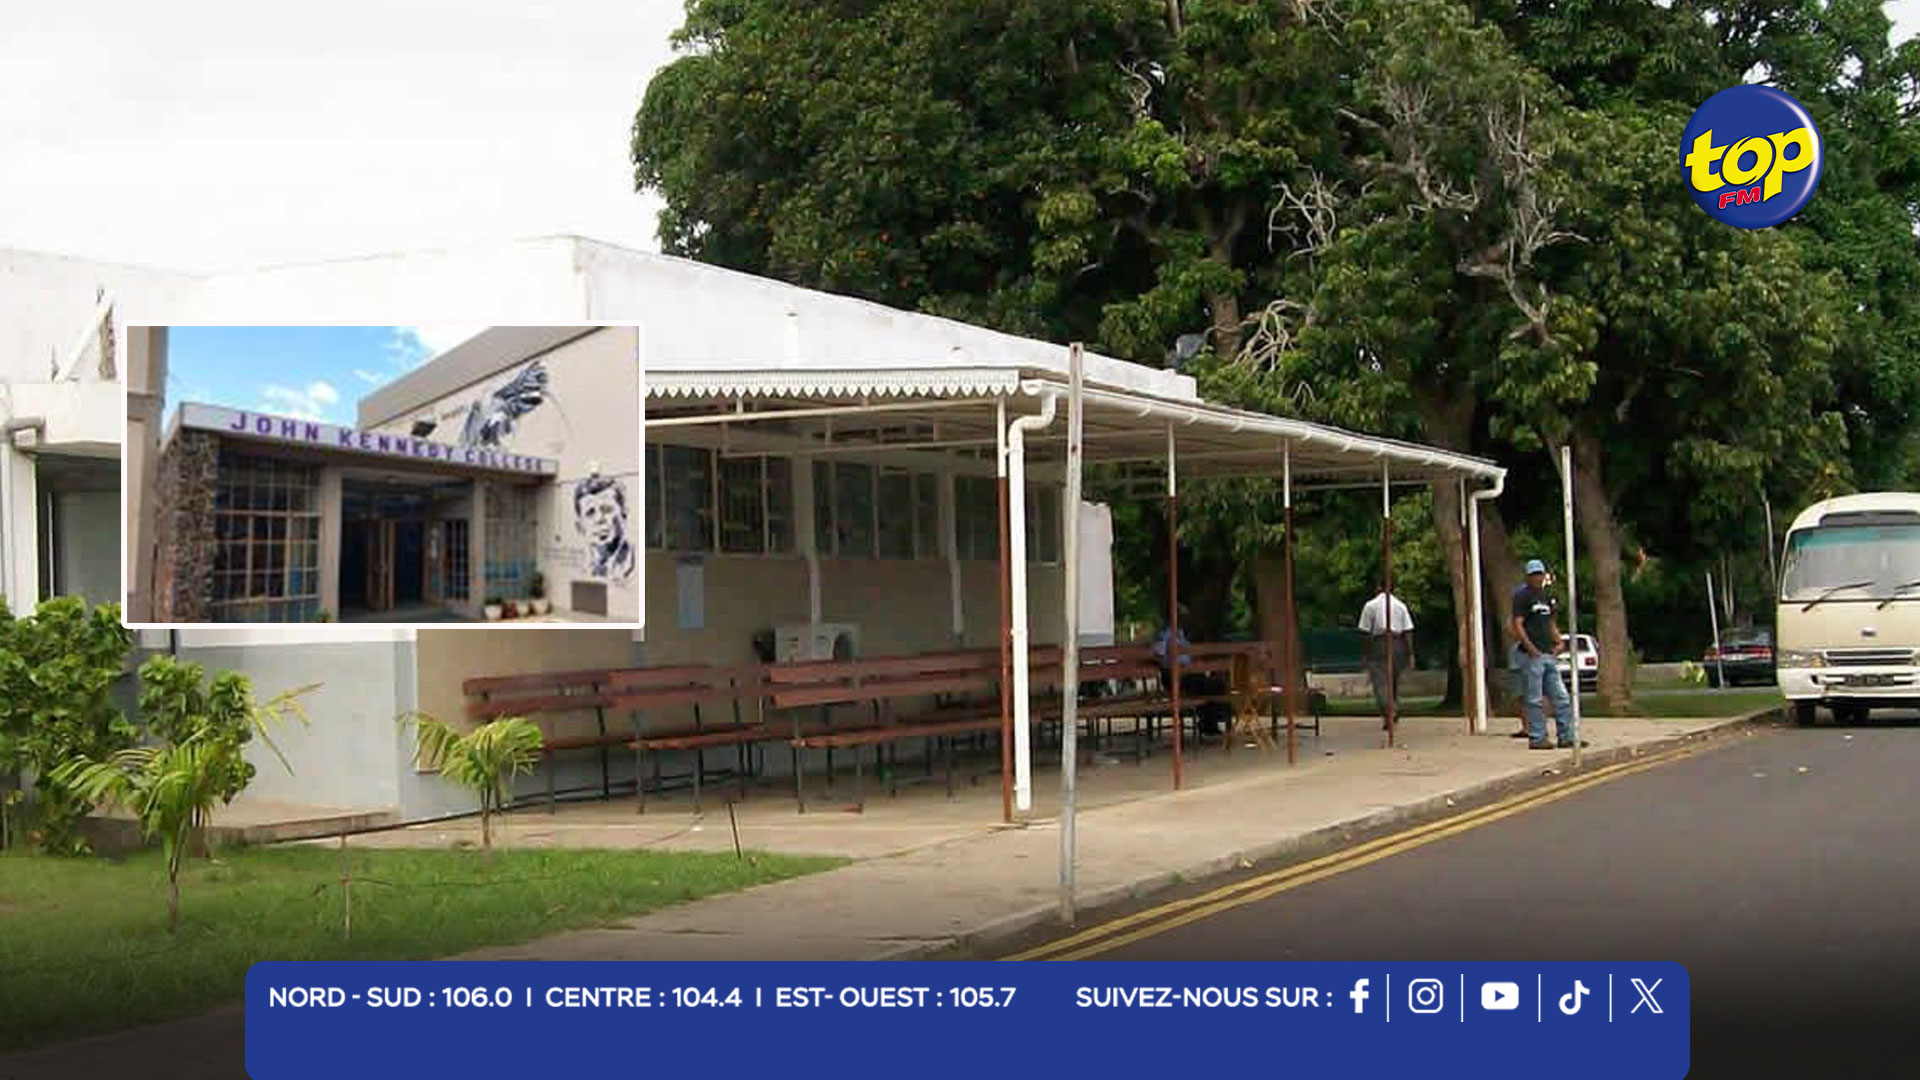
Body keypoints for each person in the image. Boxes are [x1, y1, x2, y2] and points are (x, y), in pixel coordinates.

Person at [1508, 559, 1585, 750]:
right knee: (1535, 699)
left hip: (1548, 654)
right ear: (1528, 576)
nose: (1537, 578)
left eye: (1539, 574)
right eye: (1533, 575)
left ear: (1544, 575)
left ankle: (1566, 736)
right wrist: (1530, 647)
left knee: (1561, 697)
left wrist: (1559, 642)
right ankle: (1537, 737)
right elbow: (1517, 624)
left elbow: (1550, 623)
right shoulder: (1522, 596)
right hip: (1532, 655)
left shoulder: (1546, 597)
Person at [1152, 617, 1229, 737]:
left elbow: (1190, 655)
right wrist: (1171, 663)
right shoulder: (1166, 635)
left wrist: (1195, 662)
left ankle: (1209, 722)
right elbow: (1158, 654)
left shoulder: (1182, 635)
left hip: (1188, 674)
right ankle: (1209, 722)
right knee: (1211, 685)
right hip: (1175, 676)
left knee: (1214, 685)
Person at [1357, 581, 1414, 729]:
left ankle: (1389, 710)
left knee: (1381, 682)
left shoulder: (1370, 605)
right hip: (1398, 644)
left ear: (1378, 587)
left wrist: (1365, 653)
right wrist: (1410, 653)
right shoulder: (1400, 606)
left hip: (1379, 644)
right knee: (1393, 681)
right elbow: (1408, 631)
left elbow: (1365, 632)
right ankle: (1393, 708)